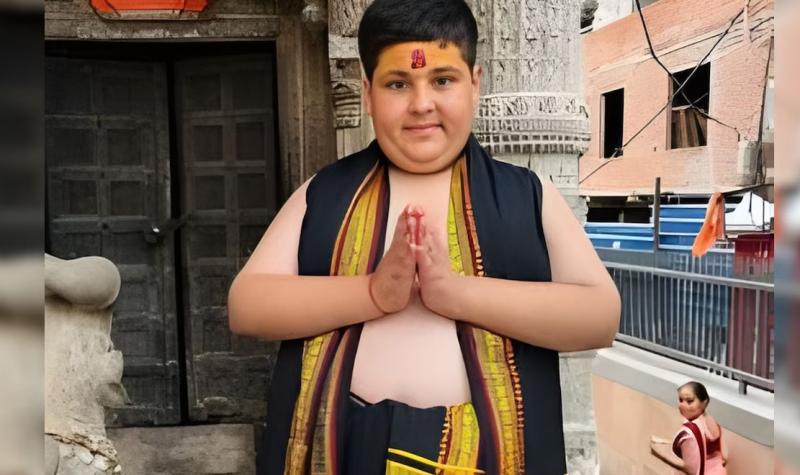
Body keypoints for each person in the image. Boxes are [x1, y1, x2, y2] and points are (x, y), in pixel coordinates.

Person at [227, 0, 621, 473]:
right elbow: (246, 305)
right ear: (367, 92)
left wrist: (454, 293)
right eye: (398, 84)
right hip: (346, 450)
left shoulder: (529, 197)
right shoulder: (325, 194)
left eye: (442, 80)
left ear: (475, 83)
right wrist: (374, 292)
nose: (421, 104)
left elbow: (599, 317)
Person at [650, 382, 729, 475]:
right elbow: (724, 456)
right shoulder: (711, 422)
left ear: (704, 402)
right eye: (681, 400)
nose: (682, 406)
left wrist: (658, 453)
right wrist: (663, 441)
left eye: (690, 401)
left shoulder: (691, 431)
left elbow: (691, 468)